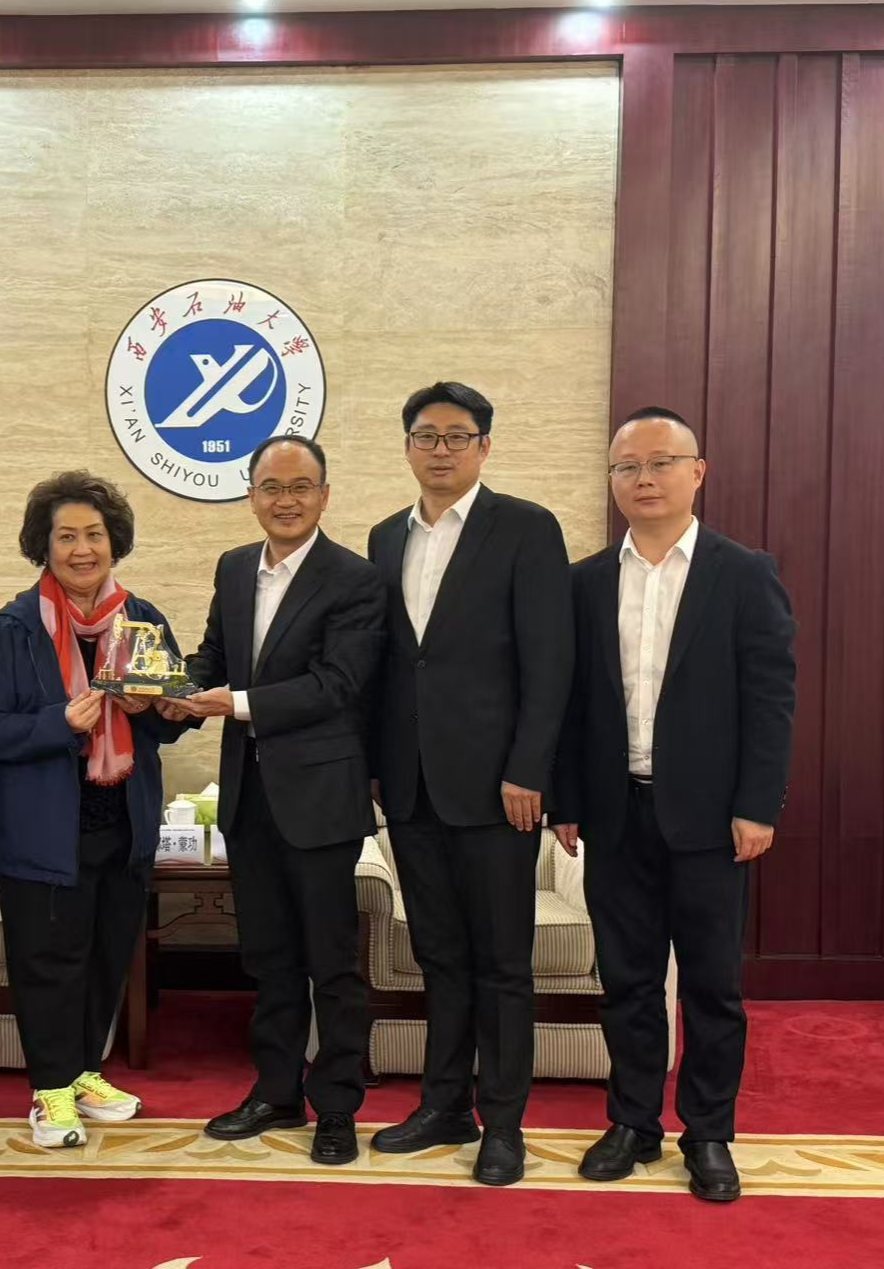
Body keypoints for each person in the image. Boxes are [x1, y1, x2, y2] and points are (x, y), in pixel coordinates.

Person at [552, 406, 796, 1204]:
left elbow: (771, 699)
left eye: (661, 463)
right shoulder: (585, 582)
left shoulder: (744, 573)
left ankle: (709, 1133)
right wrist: (565, 800)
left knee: (712, 986)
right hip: (614, 812)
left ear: (698, 472)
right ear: (613, 480)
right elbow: (570, 703)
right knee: (626, 982)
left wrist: (758, 805)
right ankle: (632, 1123)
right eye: (627, 467)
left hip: (713, 819)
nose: (644, 479)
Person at [365, 381, 574, 1186]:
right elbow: (393, 665)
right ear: (407, 447)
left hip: (498, 791)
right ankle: (443, 1104)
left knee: (502, 963)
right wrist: (378, 767)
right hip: (412, 787)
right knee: (440, 956)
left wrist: (530, 770)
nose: (441, 450)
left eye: (458, 436)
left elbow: (549, 662)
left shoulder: (525, 528)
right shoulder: (386, 537)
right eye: (427, 436)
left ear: (485, 447)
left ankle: (504, 1123)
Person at [172, 435, 385, 1167]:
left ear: (324, 495)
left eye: (300, 487)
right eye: (271, 487)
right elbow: (214, 656)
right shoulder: (234, 568)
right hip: (249, 797)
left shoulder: (356, 579)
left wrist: (229, 703)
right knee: (268, 958)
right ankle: (275, 1091)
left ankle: (338, 1107)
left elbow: (338, 685)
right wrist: (171, 690)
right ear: (251, 494)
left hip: (321, 799)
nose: (285, 500)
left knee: (331, 962)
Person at [0, 472, 197, 1148]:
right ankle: (50, 1091)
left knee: (105, 957)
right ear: (43, 547)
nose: (81, 549)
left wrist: (155, 708)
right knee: (48, 962)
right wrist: (59, 723)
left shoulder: (143, 619)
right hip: (40, 831)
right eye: (65, 536)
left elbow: (173, 716)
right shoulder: (12, 630)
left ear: (113, 542)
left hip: (121, 824)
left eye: (93, 535)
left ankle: (82, 1072)